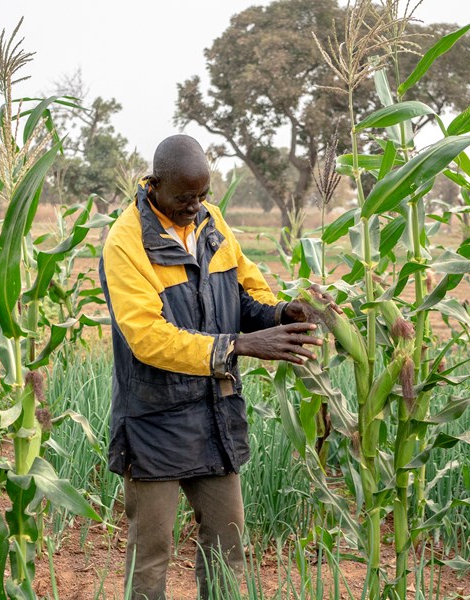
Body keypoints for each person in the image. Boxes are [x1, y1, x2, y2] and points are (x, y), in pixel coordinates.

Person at [99, 134, 325, 599]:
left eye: (203, 196)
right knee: (152, 553)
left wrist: (283, 313)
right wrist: (238, 345)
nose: (195, 207)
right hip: (155, 422)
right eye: (185, 198)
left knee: (227, 544)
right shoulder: (126, 243)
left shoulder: (211, 222)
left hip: (214, 415)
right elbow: (147, 338)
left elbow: (248, 293)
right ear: (155, 185)